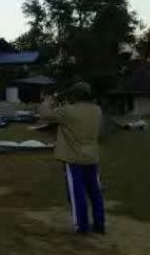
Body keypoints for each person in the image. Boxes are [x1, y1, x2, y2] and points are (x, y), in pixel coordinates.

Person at [39, 82, 105, 235]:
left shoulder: (68, 111)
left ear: (75, 95)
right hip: (92, 156)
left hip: (73, 158)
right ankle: (99, 224)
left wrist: (47, 101)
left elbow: (45, 115)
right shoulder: (97, 110)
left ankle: (81, 226)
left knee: (77, 193)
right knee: (95, 191)